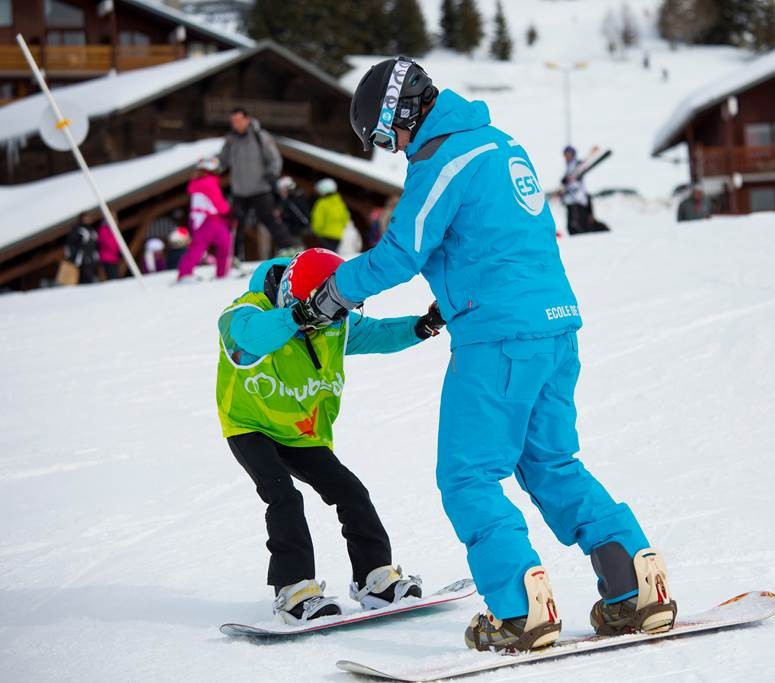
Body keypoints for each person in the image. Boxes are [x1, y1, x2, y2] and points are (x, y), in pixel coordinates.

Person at [300, 56, 677, 652]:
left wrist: (334, 295)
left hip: (499, 338)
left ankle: (519, 609)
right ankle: (636, 586)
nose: (392, 149)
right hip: (555, 329)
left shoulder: (443, 158)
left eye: (382, 134)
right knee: (553, 464)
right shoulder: (503, 146)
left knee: (467, 474)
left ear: (403, 109)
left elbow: (404, 251)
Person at [217, 248, 446, 624]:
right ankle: (294, 590)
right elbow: (250, 339)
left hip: (302, 431)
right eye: (317, 317)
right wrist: (296, 316)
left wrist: (422, 325)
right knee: (284, 497)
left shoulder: (331, 323)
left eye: (329, 317)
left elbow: (376, 333)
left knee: (351, 492)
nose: (320, 327)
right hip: (250, 425)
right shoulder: (245, 312)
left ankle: (374, 578)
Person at [217, 107, 300, 256]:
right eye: (233, 121)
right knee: (235, 225)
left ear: (247, 120)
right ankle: (234, 256)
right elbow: (223, 160)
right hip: (240, 191)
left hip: (260, 188)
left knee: (270, 220)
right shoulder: (231, 140)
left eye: (238, 120)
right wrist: (212, 166)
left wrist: (272, 173)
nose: (235, 124)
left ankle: (290, 247)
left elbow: (275, 159)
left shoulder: (260, 136)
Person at [177, 156, 233, 282]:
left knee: (199, 246)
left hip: (202, 219)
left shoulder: (199, 182)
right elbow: (218, 203)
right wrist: (229, 212)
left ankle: (185, 272)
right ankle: (221, 273)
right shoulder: (208, 182)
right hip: (208, 220)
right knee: (223, 243)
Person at [310, 178, 351, 251]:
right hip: (338, 236)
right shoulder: (340, 203)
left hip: (324, 235)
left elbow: (318, 220)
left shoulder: (322, 203)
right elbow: (345, 219)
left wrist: (316, 231)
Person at [560, 146, 590, 235]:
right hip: (571, 201)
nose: (566, 157)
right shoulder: (569, 166)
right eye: (565, 155)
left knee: (576, 225)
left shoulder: (576, 165)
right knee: (571, 226)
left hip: (577, 200)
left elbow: (576, 182)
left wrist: (567, 182)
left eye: (568, 154)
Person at [64, 213, 100, 284]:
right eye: (85, 218)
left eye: (88, 218)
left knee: (91, 277)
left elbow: (94, 244)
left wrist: (95, 252)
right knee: (83, 278)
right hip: (81, 258)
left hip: (90, 258)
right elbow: (71, 244)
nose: (87, 220)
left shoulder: (91, 230)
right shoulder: (78, 230)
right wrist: (75, 256)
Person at [276, 176, 311, 241]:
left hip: (295, 229)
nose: (280, 193)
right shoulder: (297, 196)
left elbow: (295, 215)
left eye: (281, 190)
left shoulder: (292, 200)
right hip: (295, 229)